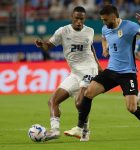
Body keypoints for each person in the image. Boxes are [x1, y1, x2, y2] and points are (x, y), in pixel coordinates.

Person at [68, 4, 140, 141]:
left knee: (131, 107)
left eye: (106, 20)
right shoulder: (106, 28)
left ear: (114, 17)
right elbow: (104, 38)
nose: (104, 23)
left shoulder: (130, 26)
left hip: (127, 73)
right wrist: (105, 49)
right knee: (88, 93)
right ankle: (80, 129)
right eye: (102, 20)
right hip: (111, 70)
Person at [35, 6, 102, 141]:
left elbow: (91, 47)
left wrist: (99, 65)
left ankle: (84, 130)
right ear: (72, 17)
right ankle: (54, 131)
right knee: (53, 101)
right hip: (75, 73)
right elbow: (49, 45)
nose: (79, 22)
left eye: (81, 19)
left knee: (79, 103)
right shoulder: (63, 31)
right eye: (76, 18)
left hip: (89, 69)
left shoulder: (90, 31)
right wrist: (42, 44)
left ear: (84, 19)